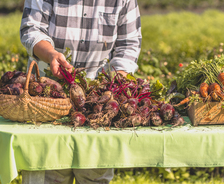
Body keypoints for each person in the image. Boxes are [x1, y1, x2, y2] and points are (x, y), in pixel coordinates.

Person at [19, 0, 142, 183]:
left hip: (95, 104)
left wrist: (117, 81)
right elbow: (32, 29)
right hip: (48, 97)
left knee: (94, 175)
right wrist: (52, 54)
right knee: (47, 172)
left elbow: (129, 44)